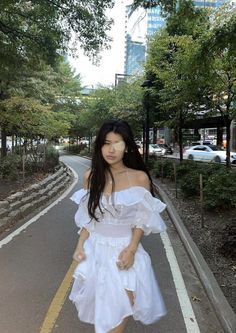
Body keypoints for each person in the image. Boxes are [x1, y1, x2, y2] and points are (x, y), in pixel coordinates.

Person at [70, 120, 167, 333]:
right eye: (106, 143)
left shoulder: (138, 178)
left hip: (124, 250)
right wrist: (79, 245)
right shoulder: (91, 177)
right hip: (95, 251)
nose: (111, 149)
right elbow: (89, 218)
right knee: (103, 312)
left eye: (117, 143)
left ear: (127, 146)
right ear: (99, 146)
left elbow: (142, 218)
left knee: (121, 310)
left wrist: (132, 249)